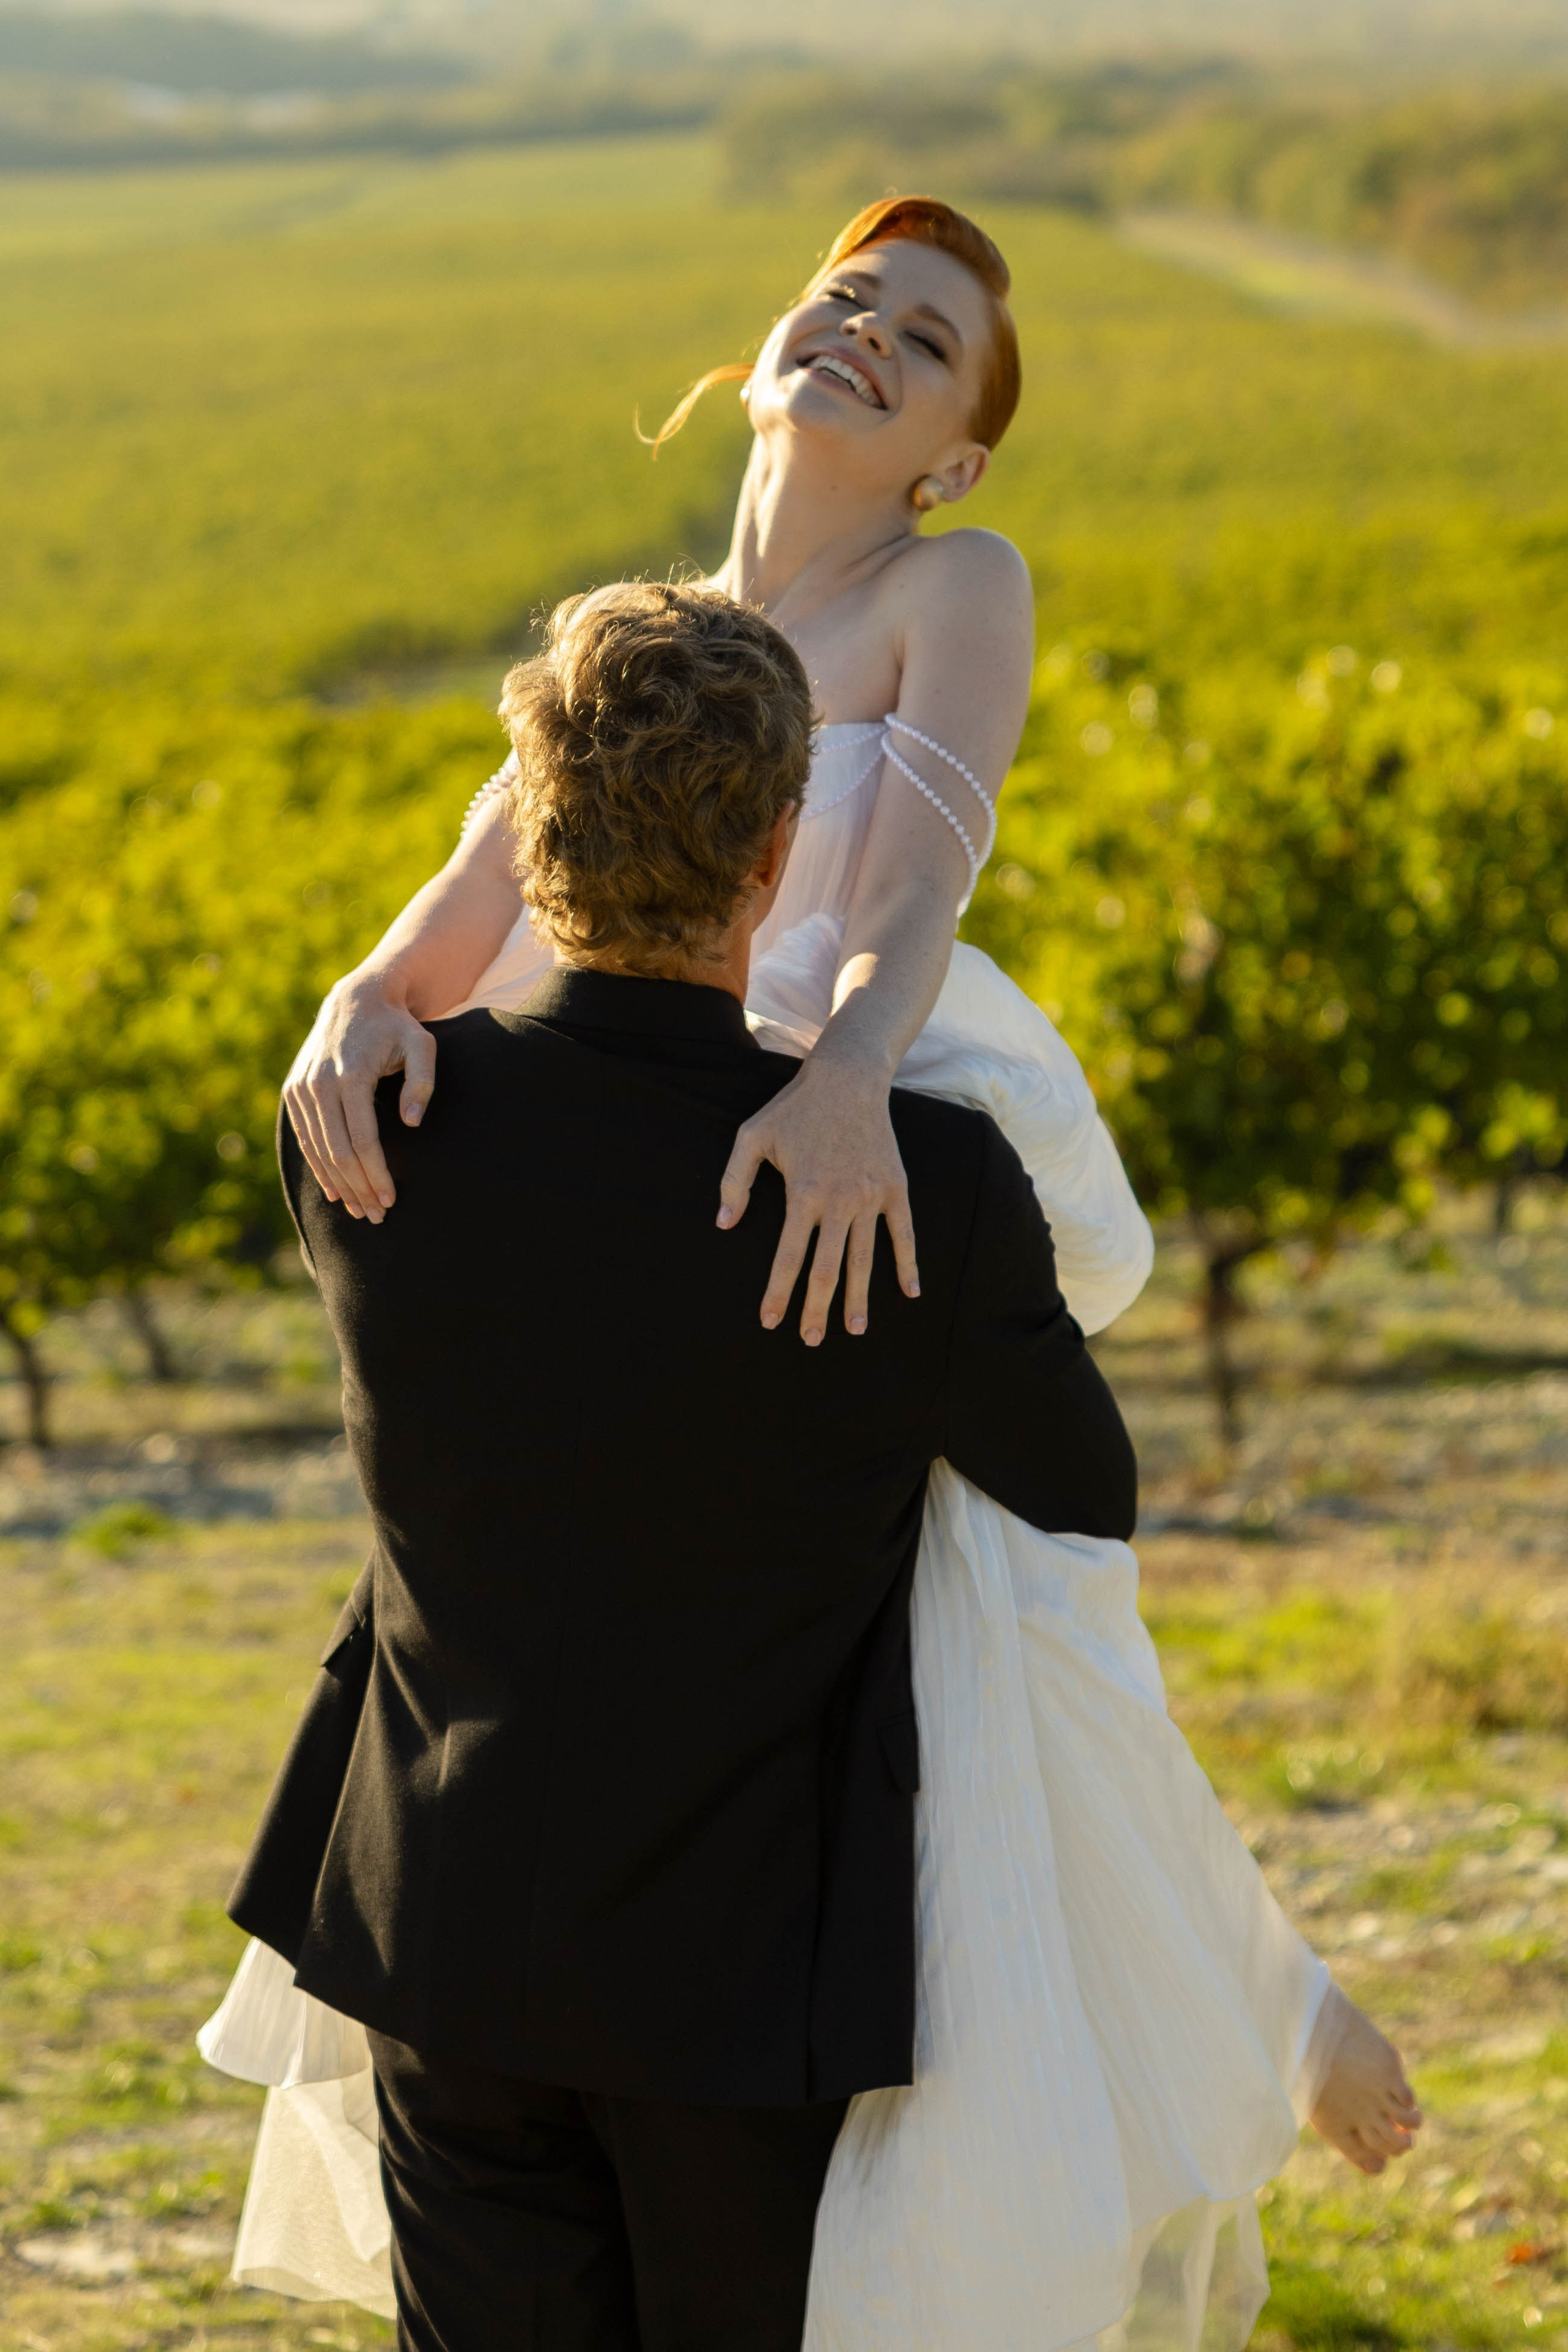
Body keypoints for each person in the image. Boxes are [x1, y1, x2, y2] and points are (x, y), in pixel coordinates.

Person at [208, 197, 1421, 2350]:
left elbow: (917, 878)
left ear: (958, 457)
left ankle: (1259, 1992)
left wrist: (851, 1076)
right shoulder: (654, 641)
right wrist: (362, 996)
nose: (867, 330)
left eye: (926, 339)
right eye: (851, 294)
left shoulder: (961, 583)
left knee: (1021, 1610)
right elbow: (484, 884)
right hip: (663, 1107)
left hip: (842, 1094)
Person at [209, 581, 1138, 2352]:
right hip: (745, 1976)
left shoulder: (364, 1116)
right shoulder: (920, 1189)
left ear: (530, 837)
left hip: (440, 1918)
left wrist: (377, 979)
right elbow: (1084, 1490)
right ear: (779, 853)